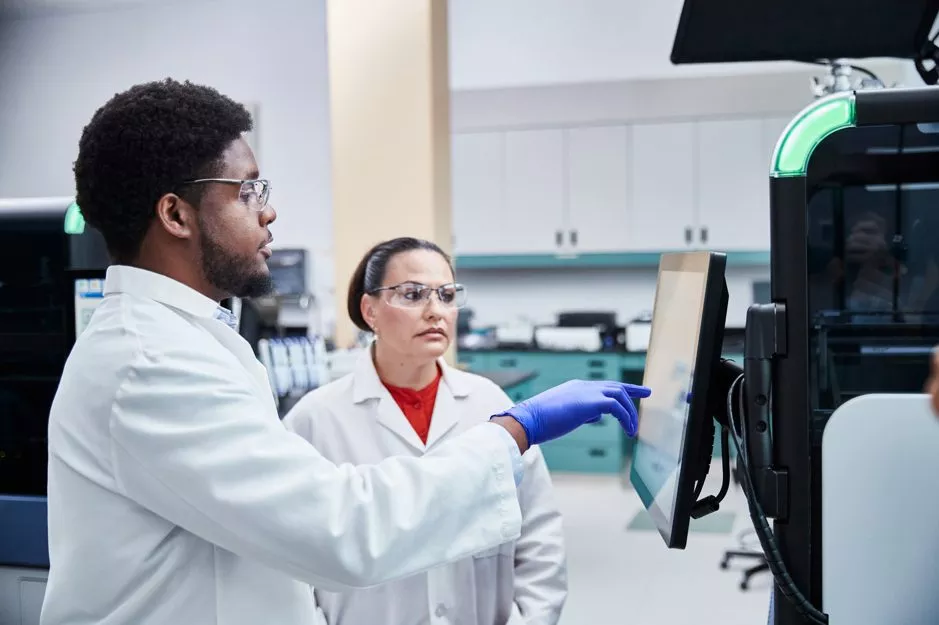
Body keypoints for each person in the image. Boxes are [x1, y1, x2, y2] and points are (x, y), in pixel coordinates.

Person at [41, 78, 651, 625]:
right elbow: (342, 531)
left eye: (444, 293)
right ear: (175, 214)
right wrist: (517, 428)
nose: (269, 209)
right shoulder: (152, 362)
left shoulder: (192, 339)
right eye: (248, 189)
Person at [284, 237, 567, 625]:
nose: (436, 311)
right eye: (413, 294)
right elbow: (289, 560)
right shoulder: (315, 419)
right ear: (370, 311)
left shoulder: (492, 405)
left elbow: (539, 535)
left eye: (447, 295)